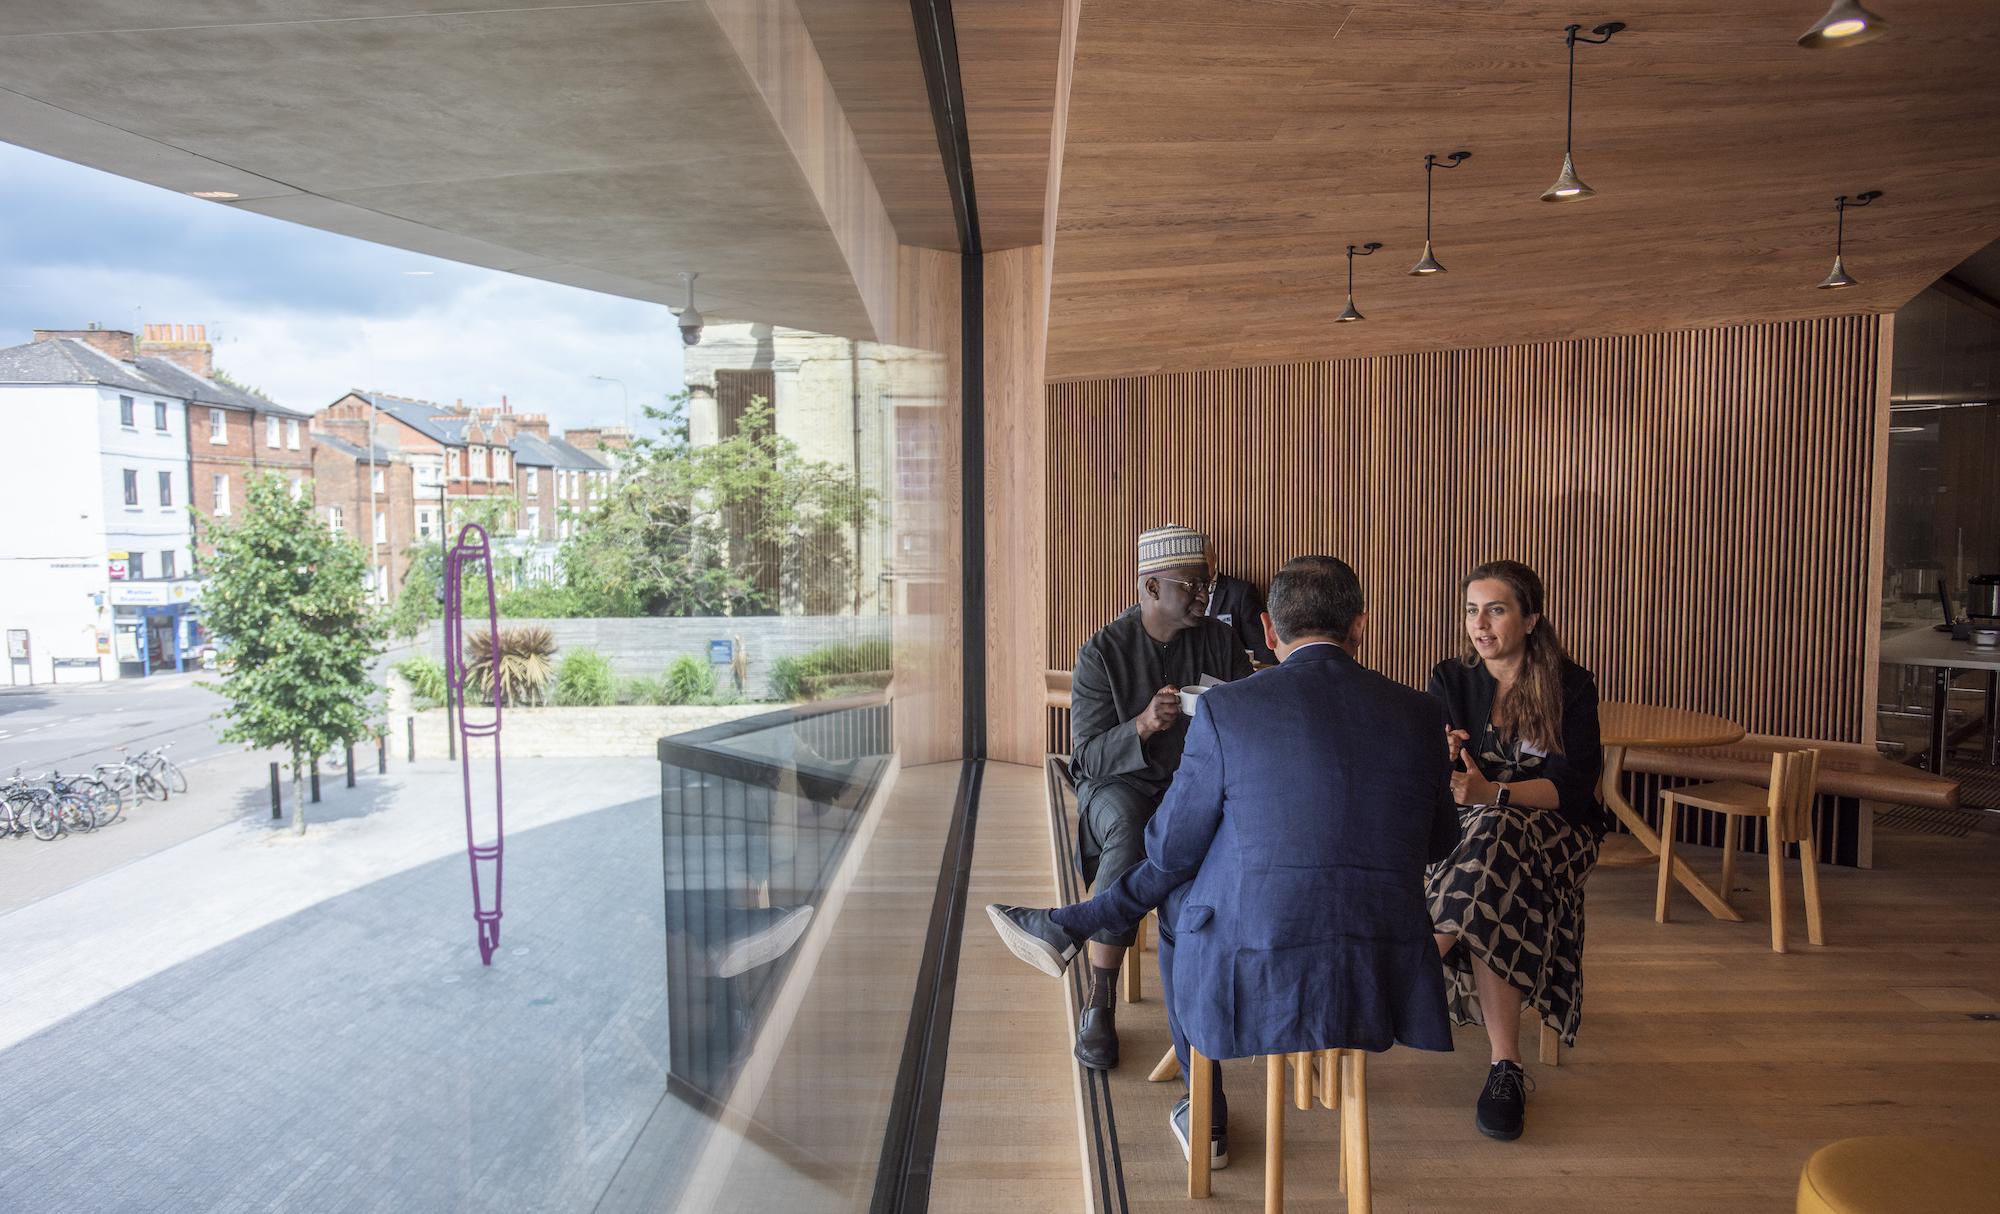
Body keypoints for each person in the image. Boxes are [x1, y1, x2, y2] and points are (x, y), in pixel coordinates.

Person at [991, 556, 1460, 1168]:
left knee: (1181, 901)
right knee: (1192, 870)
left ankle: (1205, 1111)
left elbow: (1171, 849)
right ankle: (1069, 926)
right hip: (1382, 952)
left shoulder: (1226, 709)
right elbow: (1438, 843)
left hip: (1265, 952)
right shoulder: (1421, 714)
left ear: (1268, 630)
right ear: (1362, 627)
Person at [1427, 560, 1605, 1142]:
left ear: (1530, 618)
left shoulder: (1570, 686)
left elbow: (1572, 790)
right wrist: (1442, 753)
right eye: (1472, 610)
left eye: (1496, 609)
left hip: (1557, 835)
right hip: (1474, 836)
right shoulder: (1452, 679)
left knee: (1500, 831)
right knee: (1491, 851)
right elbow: (1441, 780)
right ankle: (1506, 1066)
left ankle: (1415, 959)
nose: (1480, 624)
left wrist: (1492, 792)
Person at [1064, 524, 1253, 1071]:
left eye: (1207, 584)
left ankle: (1218, 993)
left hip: (1197, 783)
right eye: (1191, 586)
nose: (1204, 596)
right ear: (1150, 589)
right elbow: (1086, 761)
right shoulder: (1103, 653)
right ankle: (1099, 1001)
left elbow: (1247, 709)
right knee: (1129, 834)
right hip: (1119, 785)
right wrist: (1143, 725)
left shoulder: (1218, 639)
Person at [1204, 543, 1277, 666]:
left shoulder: (1240, 593)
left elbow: (1260, 646)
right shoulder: (1183, 592)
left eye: (1203, 559)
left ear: (1214, 557)